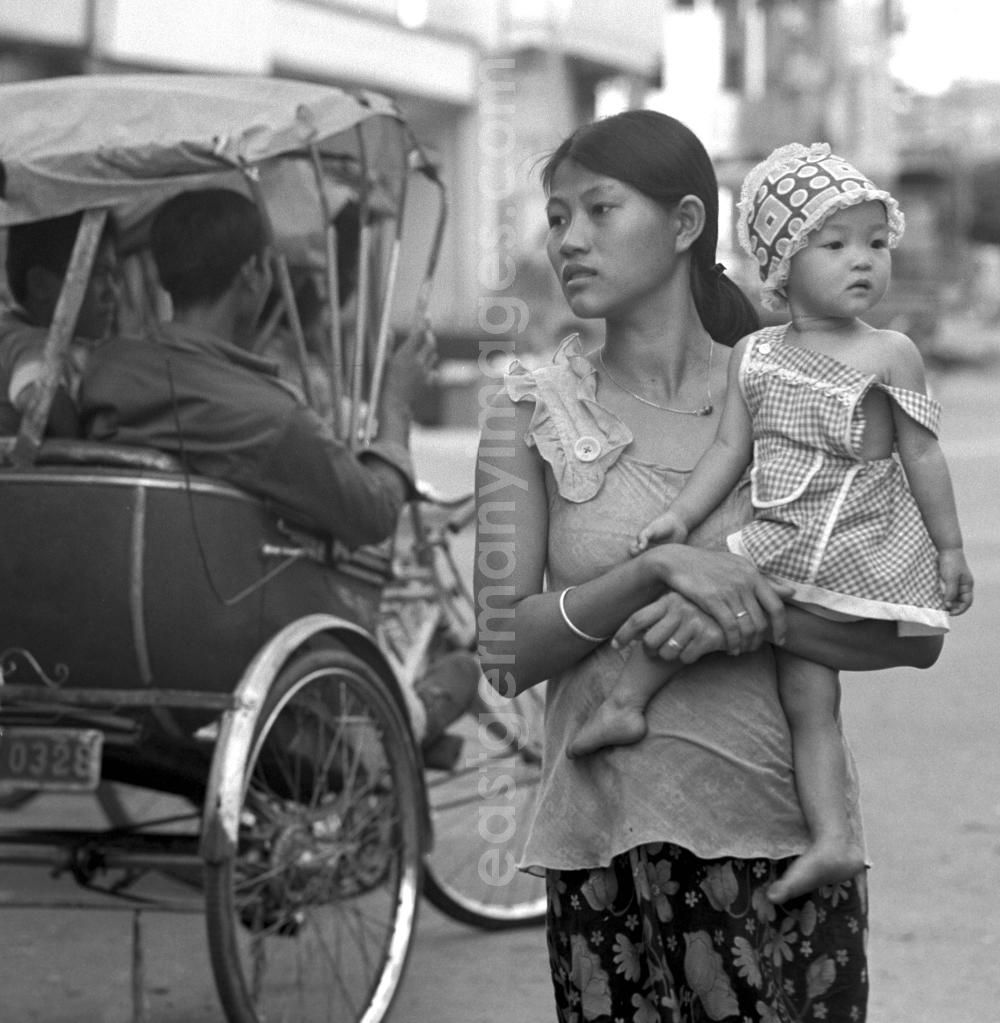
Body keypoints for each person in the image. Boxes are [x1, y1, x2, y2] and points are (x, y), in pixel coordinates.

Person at [475, 110, 944, 1021]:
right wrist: (657, 575)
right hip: (609, 862)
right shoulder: (527, 414)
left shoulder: (798, 384)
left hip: (788, 849)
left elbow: (908, 620)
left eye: (599, 210)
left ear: (687, 224)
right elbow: (505, 652)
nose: (569, 238)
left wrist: (749, 603)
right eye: (558, 216)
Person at [569, 141, 974, 903]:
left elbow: (922, 455)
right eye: (836, 243)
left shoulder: (891, 353)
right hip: (781, 535)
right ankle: (834, 838)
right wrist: (679, 515)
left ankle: (624, 703)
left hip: (845, 541)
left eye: (876, 243)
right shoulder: (755, 354)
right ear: (782, 261)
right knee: (806, 706)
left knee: (695, 608)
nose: (864, 260)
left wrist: (948, 547)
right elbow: (730, 448)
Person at [79, 187, 476, 756]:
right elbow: (372, 512)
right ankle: (413, 714)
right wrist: (394, 405)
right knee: (460, 668)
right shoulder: (269, 415)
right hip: (232, 633)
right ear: (254, 274)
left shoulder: (107, 370)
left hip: (116, 624)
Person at [0, 212, 118, 435]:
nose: (113, 292)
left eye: (114, 275)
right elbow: (39, 395)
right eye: (100, 273)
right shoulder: (26, 341)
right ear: (40, 284)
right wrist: (76, 441)